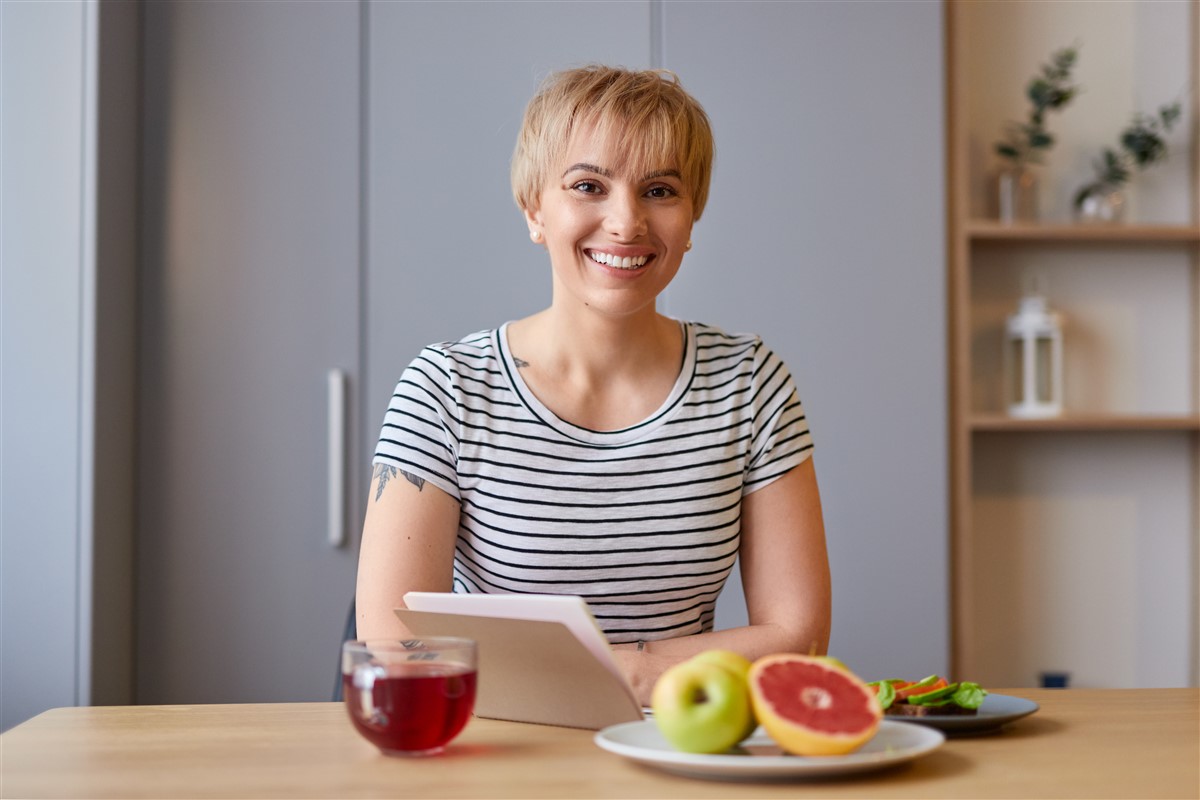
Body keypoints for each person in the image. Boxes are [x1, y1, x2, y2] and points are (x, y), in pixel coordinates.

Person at [356, 65, 830, 705]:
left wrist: (629, 672)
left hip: (678, 752)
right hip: (500, 756)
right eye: (588, 185)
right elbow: (393, 645)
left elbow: (798, 636)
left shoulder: (751, 383)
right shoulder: (445, 388)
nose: (626, 222)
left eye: (660, 190)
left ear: (692, 219)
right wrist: (636, 671)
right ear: (534, 210)